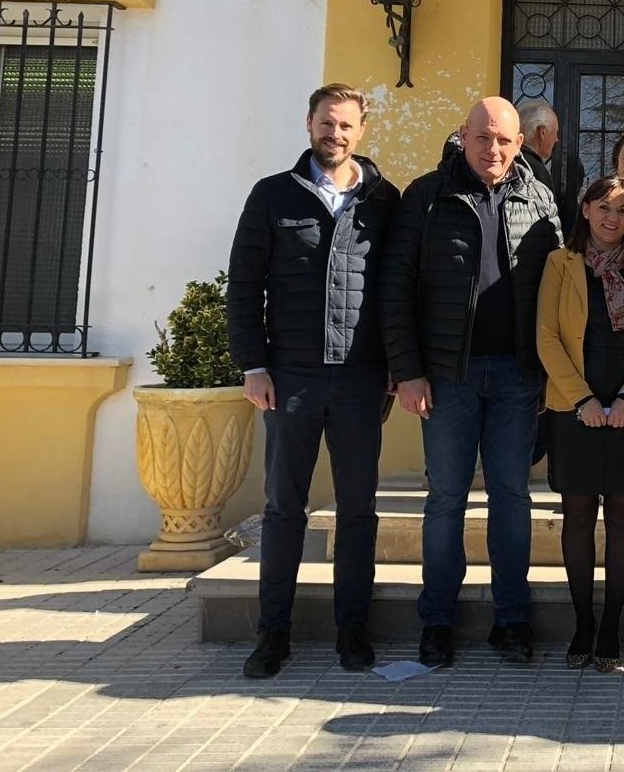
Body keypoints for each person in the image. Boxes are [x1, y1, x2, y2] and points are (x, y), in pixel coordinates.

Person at [226, 84, 401, 679]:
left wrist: (397, 372)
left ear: (362, 130)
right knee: (284, 511)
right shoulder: (272, 195)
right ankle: (272, 635)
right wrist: (253, 365)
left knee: (358, 511)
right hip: (291, 377)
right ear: (309, 123)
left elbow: (396, 294)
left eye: (348, 125)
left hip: (360, 381)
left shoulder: (384, 199)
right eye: (328, 122)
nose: (338, 134)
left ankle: (353, 632)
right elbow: (245, 286)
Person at [380, 97, 562, 669]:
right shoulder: (426, 196)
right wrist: (407, 372)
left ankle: (512, 619)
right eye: (483, 137)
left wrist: (548, 377)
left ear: (520, 143)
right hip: (447, 378)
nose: (494, 150)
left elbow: (557, 293)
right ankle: (437, 620)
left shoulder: (540, 198)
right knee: (446, 501)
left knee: (512, 499)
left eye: (505, 140)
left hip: (515, 377)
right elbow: (396, 288)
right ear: (463, 135)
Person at [536, 175, 624, 672]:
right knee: (577, 517)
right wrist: (584, 400)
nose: (613, 218)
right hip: (575, 408)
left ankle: (611, 624)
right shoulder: (560, 263)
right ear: (586, 210)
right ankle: (582, 622)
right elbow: (547, 337)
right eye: (604, 208)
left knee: (622, 516)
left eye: (623, 210)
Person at [518, 101, 561, 198]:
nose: (557, 139)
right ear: (542, 132)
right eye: (555, 132)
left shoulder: (505, 163)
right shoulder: (536, 172)